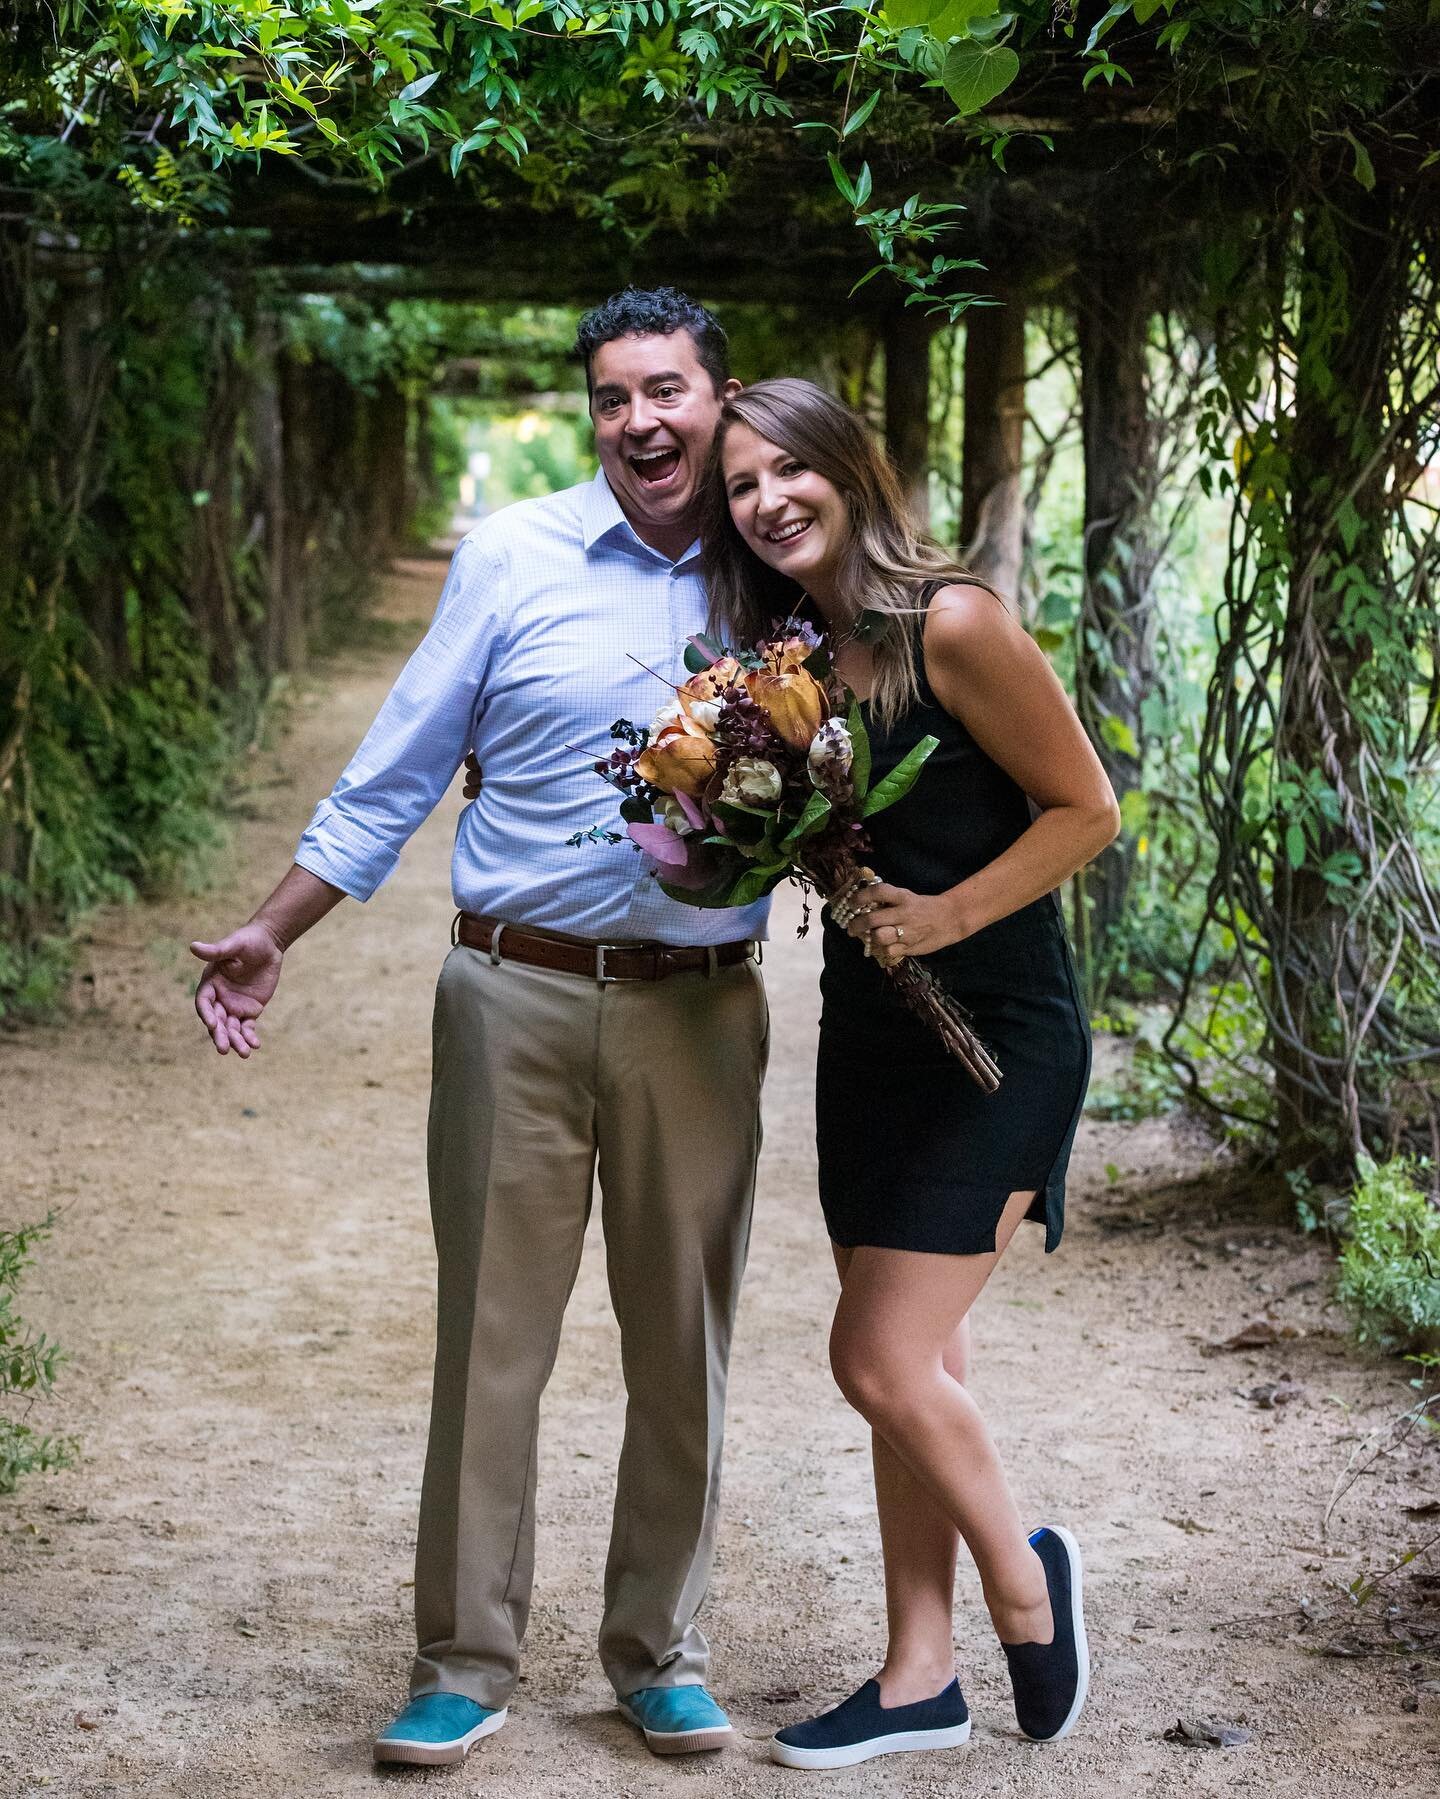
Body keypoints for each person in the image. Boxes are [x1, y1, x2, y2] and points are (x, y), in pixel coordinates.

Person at [187, 289, 771, 1770]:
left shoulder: (778, 568)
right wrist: (275, 928)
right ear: (594, 416)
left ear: (719, 398)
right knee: (490, 1342)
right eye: (614, 398)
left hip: (698, 1012)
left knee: (681, 1346)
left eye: (668, 391)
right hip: (506, 991)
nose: (641, 420)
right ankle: (464, 1657)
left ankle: (660, 1654)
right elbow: (397, 767)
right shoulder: (512, 554)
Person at [701, 377, 1120, 1769]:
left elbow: (1088, 809)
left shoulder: (955, 620)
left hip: (996, 1034)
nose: (765, 502)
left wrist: (942, 916)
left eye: (784, 471)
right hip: (874, 1036)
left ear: (845, 466)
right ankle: (917, 1679)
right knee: (920, 1360)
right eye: (740, 486)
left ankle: (1023, 1582)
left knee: (873, 1360)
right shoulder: (789, 655)